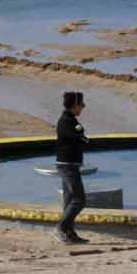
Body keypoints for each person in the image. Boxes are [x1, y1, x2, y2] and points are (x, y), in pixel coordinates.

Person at [54, 90, 89, 245]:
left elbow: (81, 137)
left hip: (70, 165)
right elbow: (80, 139)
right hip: (67, 165)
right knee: (79, 199)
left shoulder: (71, 120)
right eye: (81, 105)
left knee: (69, 201)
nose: (83, 108)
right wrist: (83, 139)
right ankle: (61, 227)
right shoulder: (66, 121)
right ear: (74, 105)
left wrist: (82, 139)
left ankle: (69, 233)